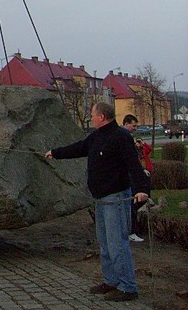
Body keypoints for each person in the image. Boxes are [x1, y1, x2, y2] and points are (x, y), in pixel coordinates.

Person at [46, 102, 149, 302]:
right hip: (101, 199)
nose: (91, 118)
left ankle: (128, 287)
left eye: (92, 114)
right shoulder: (96, 136)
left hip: (116, 198)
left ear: (101, 116)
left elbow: (133, 165)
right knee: (105, 242)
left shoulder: (121, 137)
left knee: (117, 242)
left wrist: (142, 190)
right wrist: (55, 153)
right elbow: (78, 148)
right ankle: (111, 281)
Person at [121, 114, 151, 242]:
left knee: (137, 201)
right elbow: (129, 160)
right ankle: (130, 231)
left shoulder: (128, 137)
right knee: (132, 203)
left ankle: (130, 230)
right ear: (126, 124)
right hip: (128, 176)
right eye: (133, 126)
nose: (135, 128)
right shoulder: (122, 136)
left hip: (133, 174)